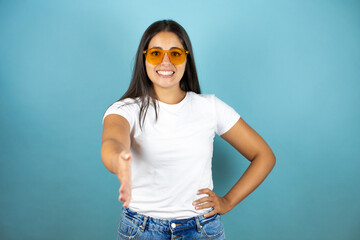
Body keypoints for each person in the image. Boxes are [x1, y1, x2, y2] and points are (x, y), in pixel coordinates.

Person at [101, 19, 276, 240]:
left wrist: (228, 201)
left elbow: (264, 156)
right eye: (156, 54)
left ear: (187, 58)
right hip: (141, 231)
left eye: (175, 54)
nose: (165, 62)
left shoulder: (209, 107)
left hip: (202, 230)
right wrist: (119, 161)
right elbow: (112, 142)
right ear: (144, 58)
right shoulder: (125, 109)